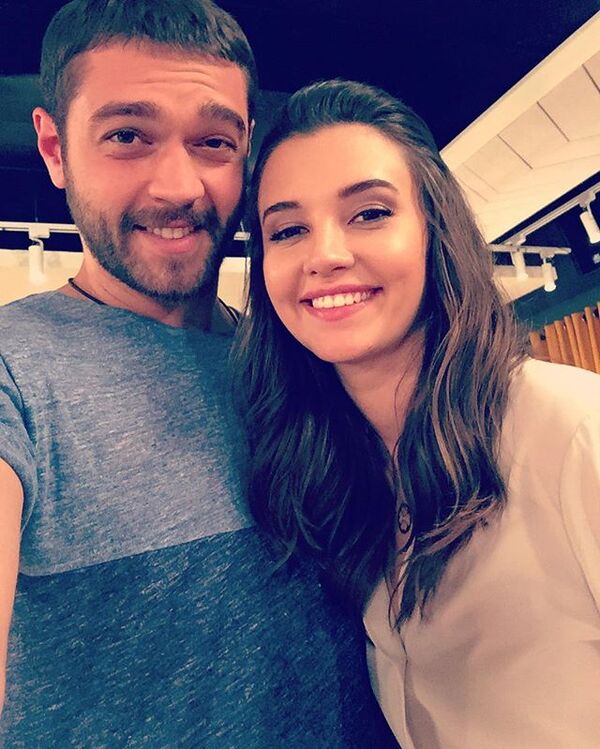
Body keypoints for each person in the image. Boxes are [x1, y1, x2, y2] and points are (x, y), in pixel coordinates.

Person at [0, 5, 398, 745]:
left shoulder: (296, 356)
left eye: (213, 142)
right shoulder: (14, 369)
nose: (179, 186)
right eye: (128, 136)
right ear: (55, 149)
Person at [234, 79, 600, 749]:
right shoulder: (338, 479)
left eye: (369, 213)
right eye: (288, 230)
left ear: (436, 229)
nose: (326, 254)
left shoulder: (573, 430)